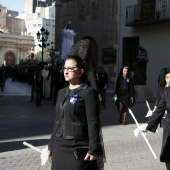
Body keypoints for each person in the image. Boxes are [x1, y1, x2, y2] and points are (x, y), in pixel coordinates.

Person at [48, 55, 105, 170]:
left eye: (70, 69)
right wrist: (51, 145)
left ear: (80, 72)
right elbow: (57, 120)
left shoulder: (88, 93)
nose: (66, 71)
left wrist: (93, 148)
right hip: (59, 146)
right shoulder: (61, 92)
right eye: (65, 68)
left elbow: (93, 122)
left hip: (77, 149)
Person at [137, 72, 170, 170]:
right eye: (167, 77)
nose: (169, 80)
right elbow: (159, 111)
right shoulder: (166, 92)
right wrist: (147, 125)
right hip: (169, 127)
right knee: (167, 155)